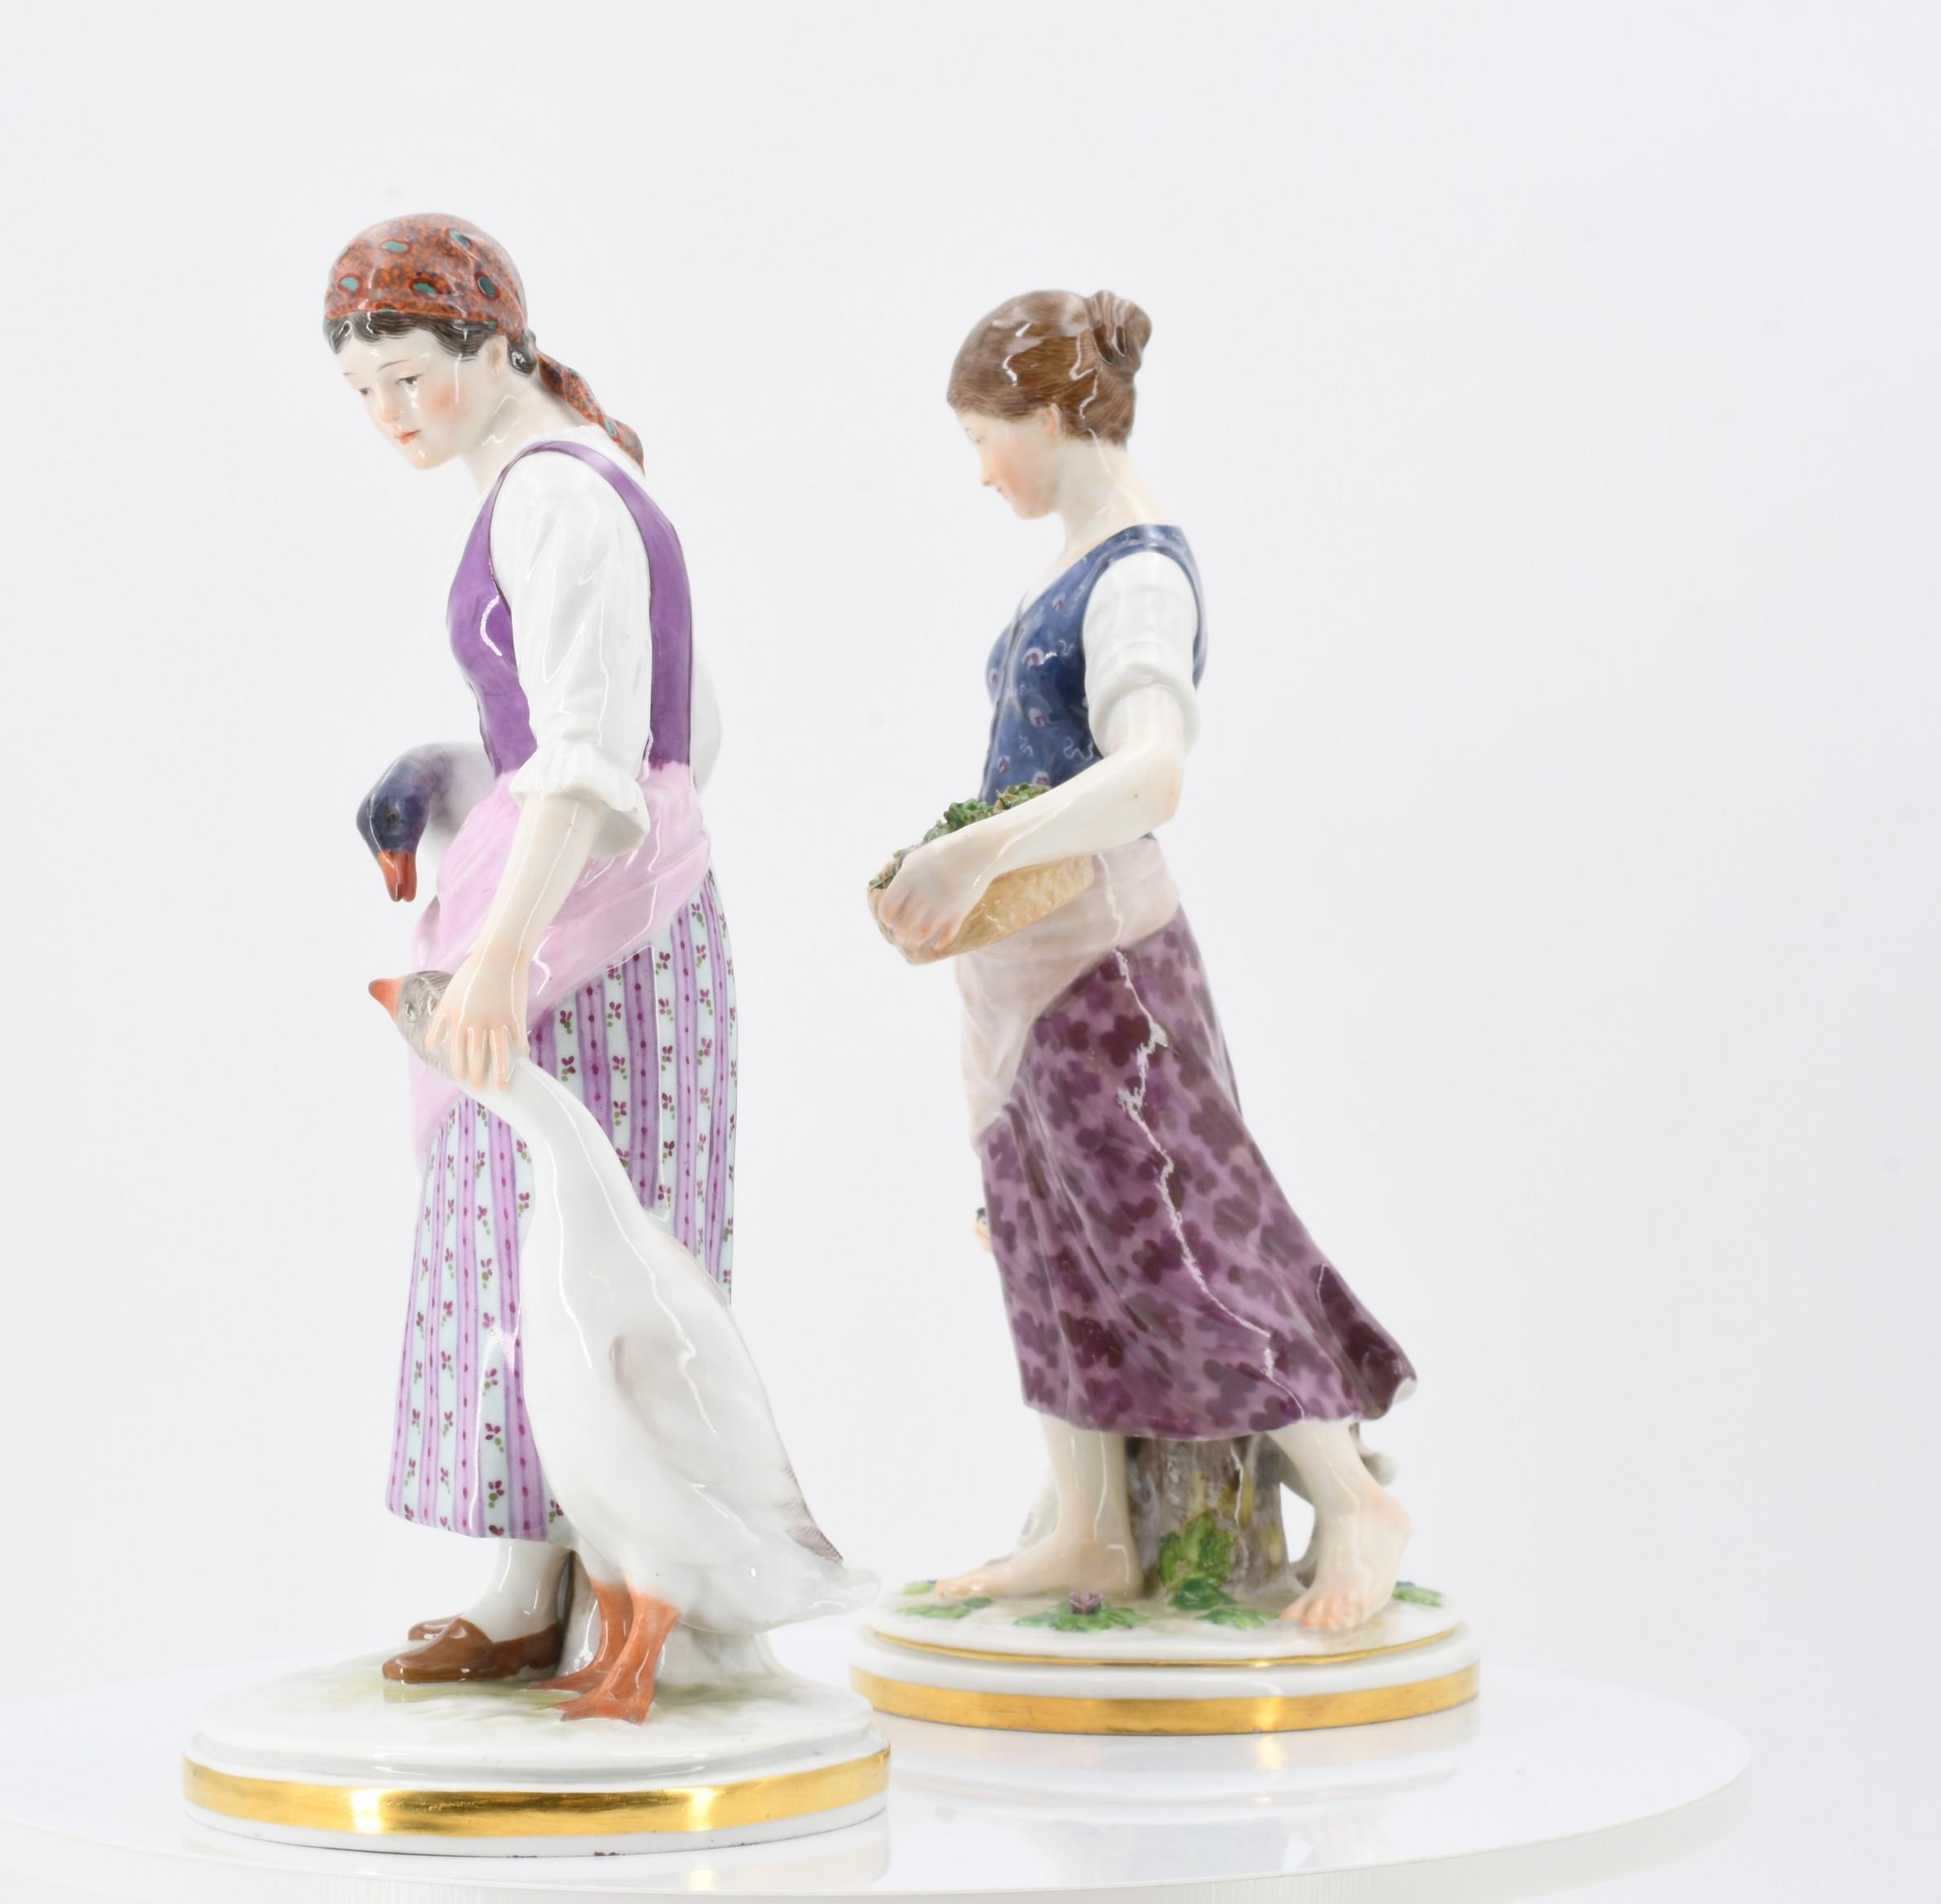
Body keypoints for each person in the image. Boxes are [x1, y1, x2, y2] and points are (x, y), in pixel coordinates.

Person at [871, 290, 1416, 1630]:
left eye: (985, 436)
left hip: (1101, 957)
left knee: (1180, 1226)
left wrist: (973, 854)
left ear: (1054, 415)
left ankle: (1351, 1496)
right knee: (1038, 1224)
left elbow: (1152, 773)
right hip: (1017, 966)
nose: (980, 470)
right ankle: (1091, 1524)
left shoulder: (1138, 577)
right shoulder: (1072, 564)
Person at [326, 216, 735, 1680]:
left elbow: (602, 760)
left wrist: (500, 953)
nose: (390, 413)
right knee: (517, 1246)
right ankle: (525, 1588)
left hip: (598, 938)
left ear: (495, 347)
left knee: (590, 1255)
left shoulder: (560, 496)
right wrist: (451, 779)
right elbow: (594, 740)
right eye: (363, 389)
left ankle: (640, 1602)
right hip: (577, 900)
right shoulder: (548, 477)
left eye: (410, 375)